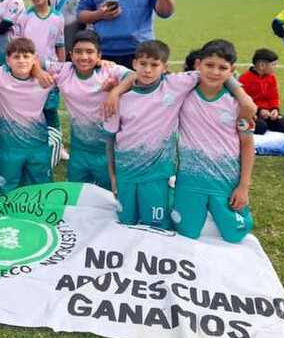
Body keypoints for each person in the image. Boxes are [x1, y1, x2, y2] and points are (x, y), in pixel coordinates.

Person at [104, 40, 255, 229]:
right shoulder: (119, 99)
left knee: (157, 225)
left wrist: (243, 96)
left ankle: (174, 199)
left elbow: (219, 73)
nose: (148, 70)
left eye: (154, 65)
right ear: (134, 65)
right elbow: (110, 139)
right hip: (126, 172)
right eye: (143, 64)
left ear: (165, 68)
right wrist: (116, 90)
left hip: (156, 174)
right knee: (125, 222)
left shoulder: (176, 84)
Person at [172, 39, 255, 243]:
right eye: (209, 65)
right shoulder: (183, 93)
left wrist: (244, 186)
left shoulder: (239, 104)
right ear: (198, 64)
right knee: (186, 234)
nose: (215, 72)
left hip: (225, 180)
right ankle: (172, 196)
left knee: (234, 235)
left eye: (222, 68)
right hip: (190, 181)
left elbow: (247, 144)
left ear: (231, 70)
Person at [44, 30, 129, 190]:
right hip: (79, 150)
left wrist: (115, 91)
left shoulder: (109, 70)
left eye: (90, 52)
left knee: (109, 195)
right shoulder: (64, 70)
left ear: (99, 55)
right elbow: (34, 61)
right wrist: (38, 72)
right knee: (75, 192)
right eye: (78, 52)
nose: (83, 57)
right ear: (71, 54)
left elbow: (135, 77)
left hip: (107, 150)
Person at [0, 37, 55, 193]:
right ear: (7, 60)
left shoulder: (47, 79)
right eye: (16, 57)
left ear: (35, 59)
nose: (21, 61)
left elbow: (76, 68)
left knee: (41, 189)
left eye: (26, 56)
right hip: (10, 148)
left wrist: (104, 63)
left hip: (38, 145)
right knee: (6, 190)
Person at [15, 0, 65, 132]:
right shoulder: (24, 18)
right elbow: (19, 47)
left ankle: (56, 142)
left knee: (50, 109)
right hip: (28, 71)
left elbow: (60, 45)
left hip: (50, 72)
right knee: (31, 110)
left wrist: (61, 70)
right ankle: (34, 139)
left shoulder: (58, 18)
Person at [238, 48, 284, 135]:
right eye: (273, 65)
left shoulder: (271, 78)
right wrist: (259, 111)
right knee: (261, 127)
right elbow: (243, 102)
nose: (275, 67)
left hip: (268, 113)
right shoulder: (244, 79)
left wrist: (274, 109)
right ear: (262, 66)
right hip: (252, 114)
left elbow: (274, 97)